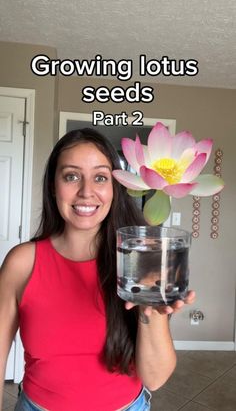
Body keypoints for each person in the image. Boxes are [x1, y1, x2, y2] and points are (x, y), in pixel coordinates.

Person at [0, 128, 195, 411]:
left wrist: (148, 311)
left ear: (115, 188)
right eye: (71, 176)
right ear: (53, 186)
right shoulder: (22, 263)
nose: (86, 192)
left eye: (100, 177)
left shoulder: (138, 263)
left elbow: (154, 378)